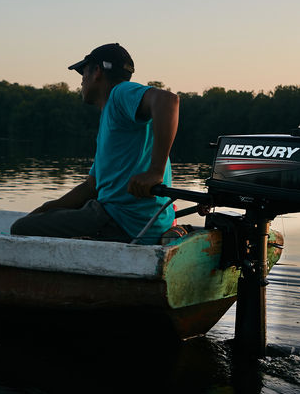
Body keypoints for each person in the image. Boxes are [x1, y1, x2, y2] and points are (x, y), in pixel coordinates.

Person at [11, 43, 179, 244]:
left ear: (97, 71)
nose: (82, 80)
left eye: (83, 72)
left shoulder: (119, 94)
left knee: (21, 229)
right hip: (131, 219)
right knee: (35, 221)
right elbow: (91, 187)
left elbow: (168, 100)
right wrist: (46, 209)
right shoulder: (113, 117)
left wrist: (155, 171)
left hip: (123, 222)